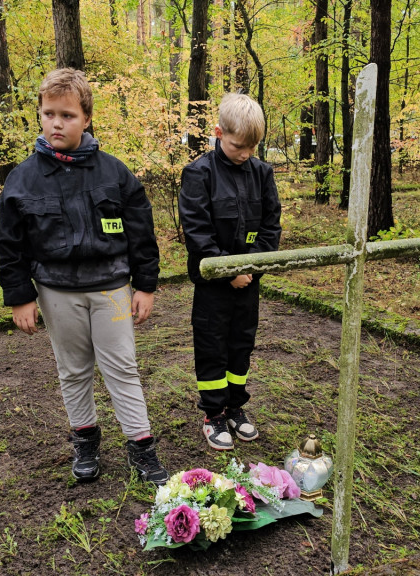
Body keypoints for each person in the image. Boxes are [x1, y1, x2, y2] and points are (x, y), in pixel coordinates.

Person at [0, 68, 169, 485]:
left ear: (86, 118)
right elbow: (9, 244)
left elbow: (142, 235)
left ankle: (141, 447)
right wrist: (20, 296)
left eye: (68, 115)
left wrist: (145, 285)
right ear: (39, 115)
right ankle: (85, 440)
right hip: (56, 292)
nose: (57, 123)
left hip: (111, 289)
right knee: (72, 369)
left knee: (121, 367)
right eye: (49, 113)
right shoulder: (22, 179)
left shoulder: (115, 173)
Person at [179, 93, 282, 451]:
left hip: (249, 283)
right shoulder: (198, 174)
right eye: (239, 145)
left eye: (252, 147)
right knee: (212, 347)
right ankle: (213, 414)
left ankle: (236, 406)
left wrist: (251, 269)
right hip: (213, 285)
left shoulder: (262, 173)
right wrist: (229, 272)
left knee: (241, 346)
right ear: (219, 133)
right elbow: (197, 233)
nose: (245, 154)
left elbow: (271, 227)